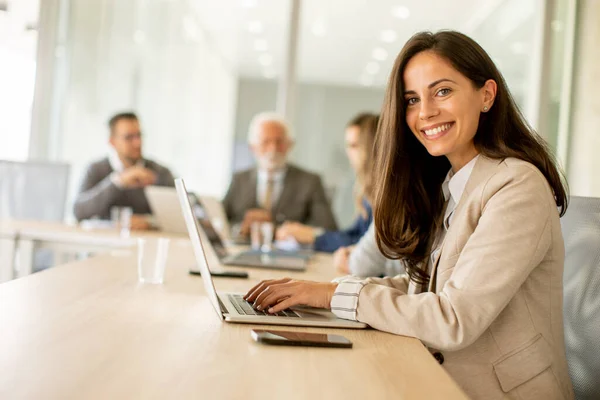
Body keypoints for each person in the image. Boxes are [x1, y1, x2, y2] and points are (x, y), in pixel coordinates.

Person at [244, 31, 574, 399]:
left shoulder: (517, 187)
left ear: (486, 95)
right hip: (436, 378)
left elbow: (453, 318)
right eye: (413, 99)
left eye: (443, 91)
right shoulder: (453, 184)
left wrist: (333, 298)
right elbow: (423, 287)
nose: (426, 112)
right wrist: (325, 292)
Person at [276, 113, 378, 253]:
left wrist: (312, 236)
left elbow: (364, 244)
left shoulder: (383, 191)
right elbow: (354, 234)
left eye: (354, 145)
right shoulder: (368, 188)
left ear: (374, 147)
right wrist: (311, 234)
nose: (348, 152)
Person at [222, 112, 337, 236]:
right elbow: (219, 222)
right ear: (253, 147)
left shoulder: (310, 182)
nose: (273, 149)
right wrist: (241, 228)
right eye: (266, 142)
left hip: (291, 253)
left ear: (290, 145)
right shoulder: (239, 180)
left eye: (279, 142)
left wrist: (283, 230)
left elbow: (328, 229)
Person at [73, 112, 175, 230]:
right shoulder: (96, 170)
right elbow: (79, 211)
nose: (137, 143)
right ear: (112, 142)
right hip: (104, 244)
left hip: (147, 244)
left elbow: (181, 217)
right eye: (129, 137)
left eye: (139, 135)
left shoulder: (160, 172)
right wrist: (117, 182)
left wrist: (150, 222)